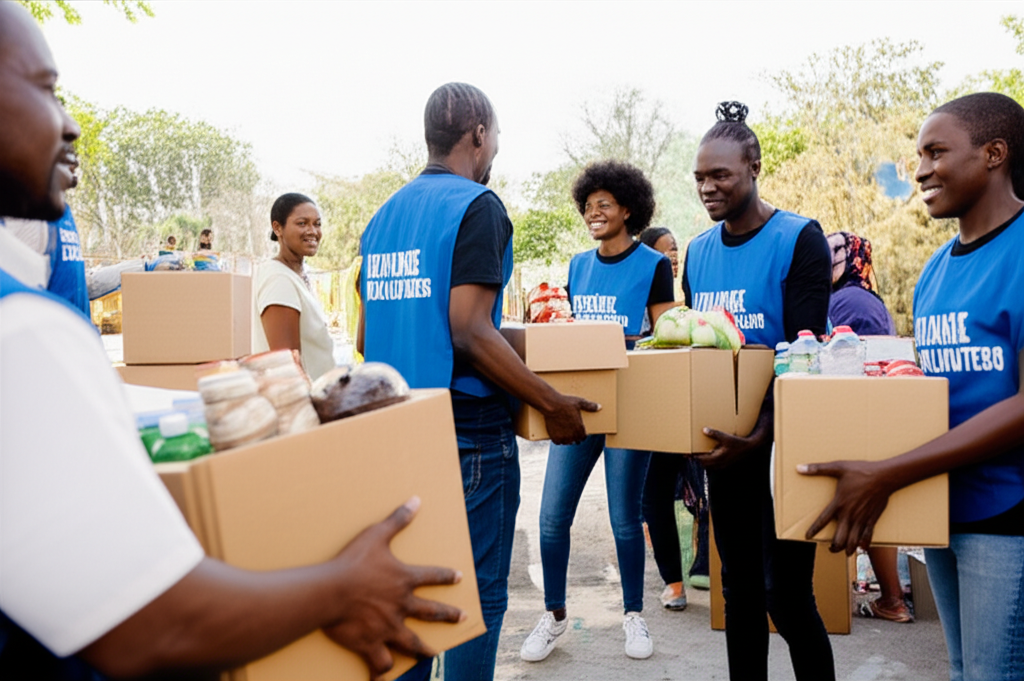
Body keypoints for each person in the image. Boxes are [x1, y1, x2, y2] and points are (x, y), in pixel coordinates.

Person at [0, 3, 464, 678]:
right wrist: (343, 585)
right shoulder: (24, 329)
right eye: (44, 88)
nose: (68, 122)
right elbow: (156, 625)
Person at [357, 82, 596, 681]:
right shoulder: (476, 206)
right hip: (467, 436)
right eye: (496, 140)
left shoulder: (384, 217)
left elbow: (368, 337)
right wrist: (551, 401)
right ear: (479, 135)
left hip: (393, 428)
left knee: (412, 590)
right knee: (472, 598)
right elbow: (468, 331)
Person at [801, 92, 1024, 681]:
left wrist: (890, 472)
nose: (919, 169)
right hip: (942, 508)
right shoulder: (935, 271)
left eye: (935, 152)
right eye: (916, 155)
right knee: (964, 670)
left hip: (1008, 515)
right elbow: (925, 393)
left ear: (994, 153)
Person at [684, 101, 835, 681]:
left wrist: (762, 436)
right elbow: (695, 356)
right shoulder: (697, 253)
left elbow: (806, 360)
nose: (708, 187)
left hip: (781, 449)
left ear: (754, 166)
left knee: (786, 596)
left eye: (720, 174)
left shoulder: (799, 239)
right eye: (700, 176)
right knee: (739, 594)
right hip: (724, 453)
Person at [521, 161, 675, 662]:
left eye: (604, 205)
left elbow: (665, 338)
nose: (594, 214)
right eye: (588, 207)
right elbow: (571, 335)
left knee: (624, 518)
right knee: (550, 518)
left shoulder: (654, 265)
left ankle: (634, 616)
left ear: (628, 209)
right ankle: (554, 616)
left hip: (630, 402)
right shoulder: (577, 265)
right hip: (578, 407)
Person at [826, 231, 909, 623]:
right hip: (881, 408)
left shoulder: (845, 300)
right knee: (872, 504)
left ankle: (892, 600)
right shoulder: (867, 297)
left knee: (862, 504)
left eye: (834, 253)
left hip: (857, 410)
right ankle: (891, 598)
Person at [638, 226, 711, 608]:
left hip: (673, 411)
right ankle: (674, 581)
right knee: (650, 500)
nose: (674, 258)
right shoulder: (639, 301)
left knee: (666, 494)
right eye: (666, 254)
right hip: (641, 412)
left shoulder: (682, 309)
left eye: (676, 252)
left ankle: (683, 579)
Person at [252, 193, 335, 381]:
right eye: (302, 223)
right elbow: (287, 366)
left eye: (317, 224)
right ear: (277, 228)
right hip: (303, 403)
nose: (312, 231)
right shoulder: (278, 278)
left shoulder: (297, 274)